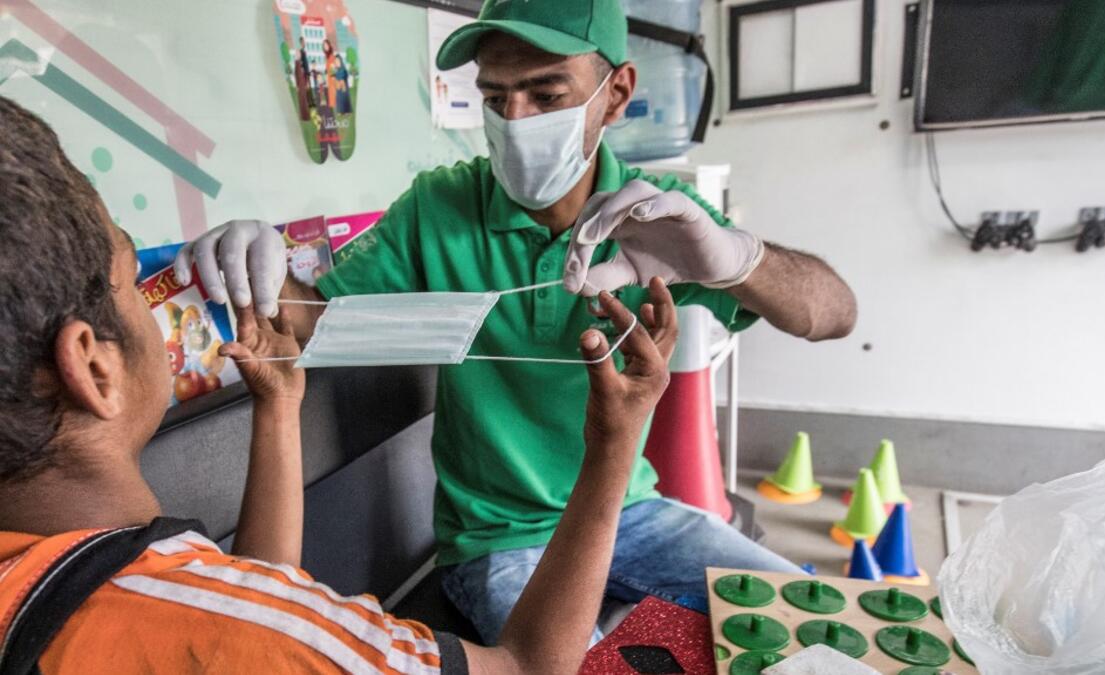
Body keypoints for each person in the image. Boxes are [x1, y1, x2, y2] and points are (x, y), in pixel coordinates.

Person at [177, 0, 858, 644]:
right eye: (495, 98)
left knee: (819, 619)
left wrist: (738, 258)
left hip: (632, 511)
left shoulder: (659, 217)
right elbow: (310, 321)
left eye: (547, 95)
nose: (516, 119)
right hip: (498, 539)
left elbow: (832, 314)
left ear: (616, 93)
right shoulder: (439, 208)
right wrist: (259, 262)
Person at [0, 94, 678, 674]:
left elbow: (248, 603)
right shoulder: (297, 642)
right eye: (131, 280)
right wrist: (614, 443)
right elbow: (528, 665)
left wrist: (279, 407)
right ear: (94, 368)